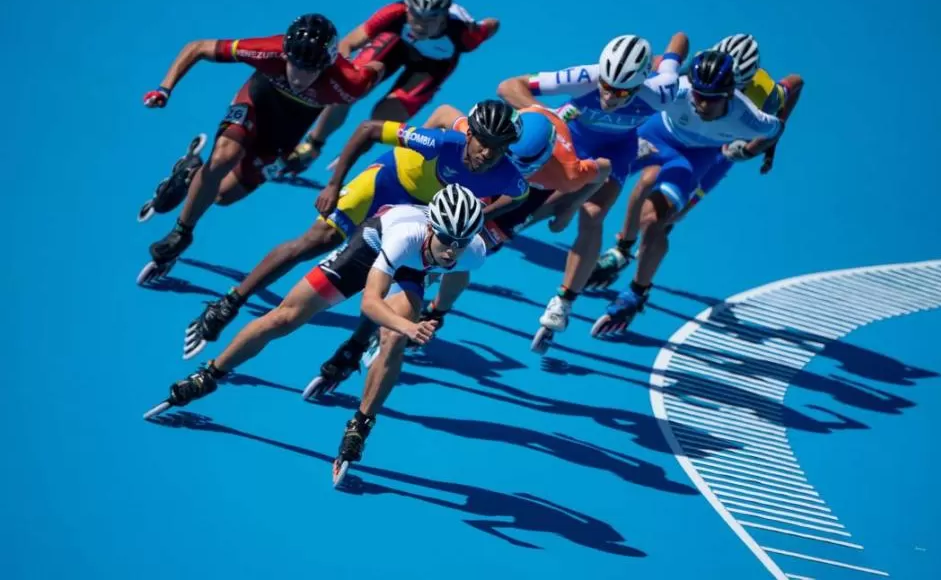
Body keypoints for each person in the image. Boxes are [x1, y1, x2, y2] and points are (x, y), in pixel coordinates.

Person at [145, 185, 488, 482]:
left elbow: (457, 276)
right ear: (431, 227)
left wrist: (438, 312)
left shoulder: (470, 252)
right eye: (445, 238)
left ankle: (361, 425)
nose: (451, 249)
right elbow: (370, 302)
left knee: (394, 339)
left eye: (460, 242)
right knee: (286, 318)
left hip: (413, 270)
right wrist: (411, 324)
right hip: (372, 246)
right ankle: (210, 373)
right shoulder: (406, 236)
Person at [181, 99, 528, 359]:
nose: (486, 152)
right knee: (316, 241)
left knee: (399, 271)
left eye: (496, 148)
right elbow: (368, 130)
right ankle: (230, 302)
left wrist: (482, 213)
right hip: (385, 183)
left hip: (416, 210)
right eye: (481, 141)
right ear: (469, 133)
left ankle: (354, 348)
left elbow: (520, 194)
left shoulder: (508, 175)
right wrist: (334, 184)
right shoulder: (440, 143)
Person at [328, 101, 615, 368]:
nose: (508, 163)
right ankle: (364, 335)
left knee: (460, 256)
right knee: (432, 247)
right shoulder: (483, 144)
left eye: (521, 164)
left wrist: (569, 207)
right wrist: (415, 157)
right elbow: (442, 112)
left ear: (540, 163)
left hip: (514, 198)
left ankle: (437, 312)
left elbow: (604, 170)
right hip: (477, 179)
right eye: (506, 154)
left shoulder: (567, 173)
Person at [136, 13, 384, 285]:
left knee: (222, 196)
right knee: (224, 157)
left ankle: (189, 174)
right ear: (286, 53)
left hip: (282, 136)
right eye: (295, 64)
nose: (300, 76)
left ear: (326, 65)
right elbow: (197, 47)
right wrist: (165, 88)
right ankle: (181, 233)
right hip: (254, 104)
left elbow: (377, 66)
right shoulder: (269, 50)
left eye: (310, 69)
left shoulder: (350, 82)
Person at [496, 32, 687, 350]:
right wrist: (546, 114)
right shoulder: (583, 76)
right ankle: (535, 214)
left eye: (621, 91)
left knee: (593, 214)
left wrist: (671, 59)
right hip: (570, 139)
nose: (610, 96)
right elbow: (507, 86)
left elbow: (679, 40)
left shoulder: (661, 91)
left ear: (640, 84)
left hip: (615, 151)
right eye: (607, 86)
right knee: (535, 208)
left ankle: (563, 303)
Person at [589, 49, 786, 337]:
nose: (703, 104)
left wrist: (752, 150)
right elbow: (664, 58)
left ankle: (636, 294)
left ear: (731, 91)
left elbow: (783, 112)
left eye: (712, 98)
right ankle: (621, 251)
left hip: (703, 155)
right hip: (662, 134)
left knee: (658, 221)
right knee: (625, 179)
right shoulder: (682, 87)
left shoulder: (754, 115)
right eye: (699, 95)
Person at [284, 0, 501, 174]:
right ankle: (312, 146)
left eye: (429, 19)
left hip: (431, 68)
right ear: (407, 7)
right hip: (397, 49)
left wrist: (476, 23)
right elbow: (349, 43)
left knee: (382, 118)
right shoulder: (395, 12)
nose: (419, 24)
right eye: (415, 15)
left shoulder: (465, 33)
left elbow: (494, 24)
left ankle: (349, 157)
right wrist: (339, 80)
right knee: (349, 87)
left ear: (444, 15)